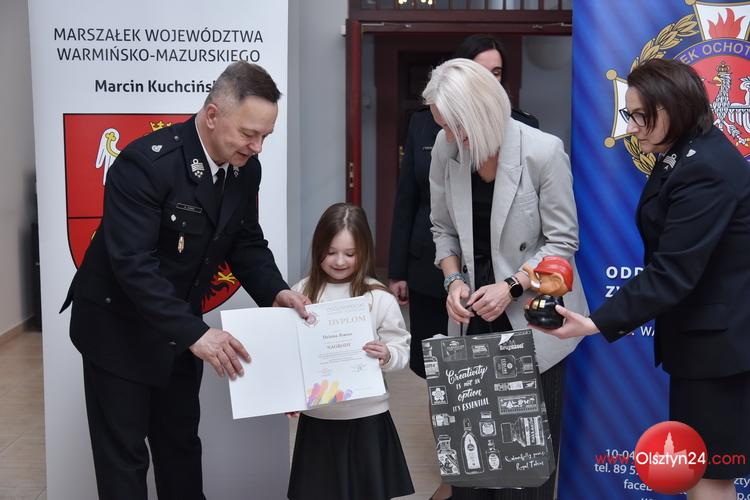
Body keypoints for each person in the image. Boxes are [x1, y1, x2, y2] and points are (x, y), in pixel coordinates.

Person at [60, 61, 309, 500]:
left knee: (180, 448)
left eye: (265, 136)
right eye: (248, 133)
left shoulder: (244, 168)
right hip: (117, 330)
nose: (257, 147)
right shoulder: (145, 165)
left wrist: (277, 291)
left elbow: (245, 241)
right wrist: (196, 333)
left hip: (177, 332)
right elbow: (133, 264)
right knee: (124, 460)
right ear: (212, 115)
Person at [540, 58, 750, 500]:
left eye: (640, 115)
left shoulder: (706, 167)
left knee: (709, 474)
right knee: (699, 470)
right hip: (705, 341)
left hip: (720, 349)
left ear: (672, 107)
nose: (632, 127)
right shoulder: (683, 153)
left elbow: (673, 271)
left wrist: (593, 322)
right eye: (629, 114)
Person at [424, 58, 589, 500]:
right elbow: (441, 227)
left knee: (525, 471)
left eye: (456, 127)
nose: (449, 138)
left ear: (482, 115)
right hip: (472, 318)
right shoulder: (445, 147)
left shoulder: (542, 152)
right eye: (443, 127)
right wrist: (453, 280)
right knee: (472, 468)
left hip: (531, 318)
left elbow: (562, 242)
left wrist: (511, 286)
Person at [388, 34, 538, 379]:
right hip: (436, 264)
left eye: (496, 73)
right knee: (440, 371)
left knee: (500, 376)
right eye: (480, 71)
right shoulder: (428, 124)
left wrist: (512, 284)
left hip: (501, 277)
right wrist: (399, 269)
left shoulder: (526, 132)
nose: (488, 81)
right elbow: (409, 197)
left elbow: (556, 236)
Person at [288, 203, 414, 500]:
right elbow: (291, 352)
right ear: (318, 248)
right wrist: (289, 393)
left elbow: (401, 348)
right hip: (319, 417)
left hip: (368, 417)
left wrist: (387, 354)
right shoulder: (301, 294)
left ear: (364, 252)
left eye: (349, 253)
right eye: (331, 252)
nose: (339, 261)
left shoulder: (378, 297)